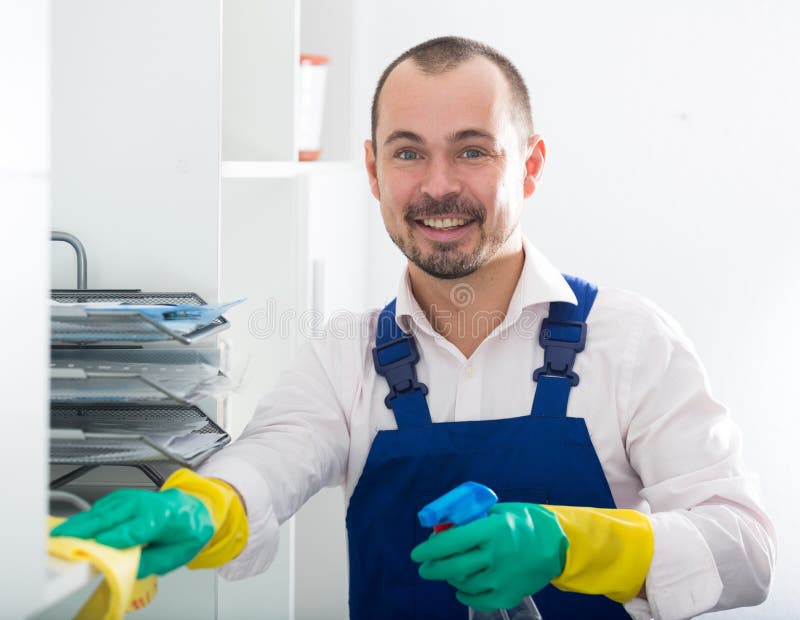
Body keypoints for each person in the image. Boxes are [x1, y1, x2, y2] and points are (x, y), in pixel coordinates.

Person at [52, 36, 776, 619]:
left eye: (472, 150)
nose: (436, 186)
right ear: (372, 170)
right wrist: (200, 507)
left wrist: (571, 544)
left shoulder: (631, 341)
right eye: (408, 152)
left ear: (530, 167)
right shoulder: (347, 356)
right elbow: (270, 462)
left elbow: (745, 550)